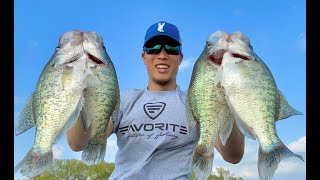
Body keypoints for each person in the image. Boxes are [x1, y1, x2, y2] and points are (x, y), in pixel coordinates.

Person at [66, 21, 244, 180]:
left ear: (180, 58)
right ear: (144, 56)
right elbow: (78, 143)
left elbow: (233, 155)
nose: (162, 54)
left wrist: (230, 96)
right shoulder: (124, 100)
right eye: (154, 48)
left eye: (171, 48)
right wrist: (75, 87)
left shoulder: (197, 102)